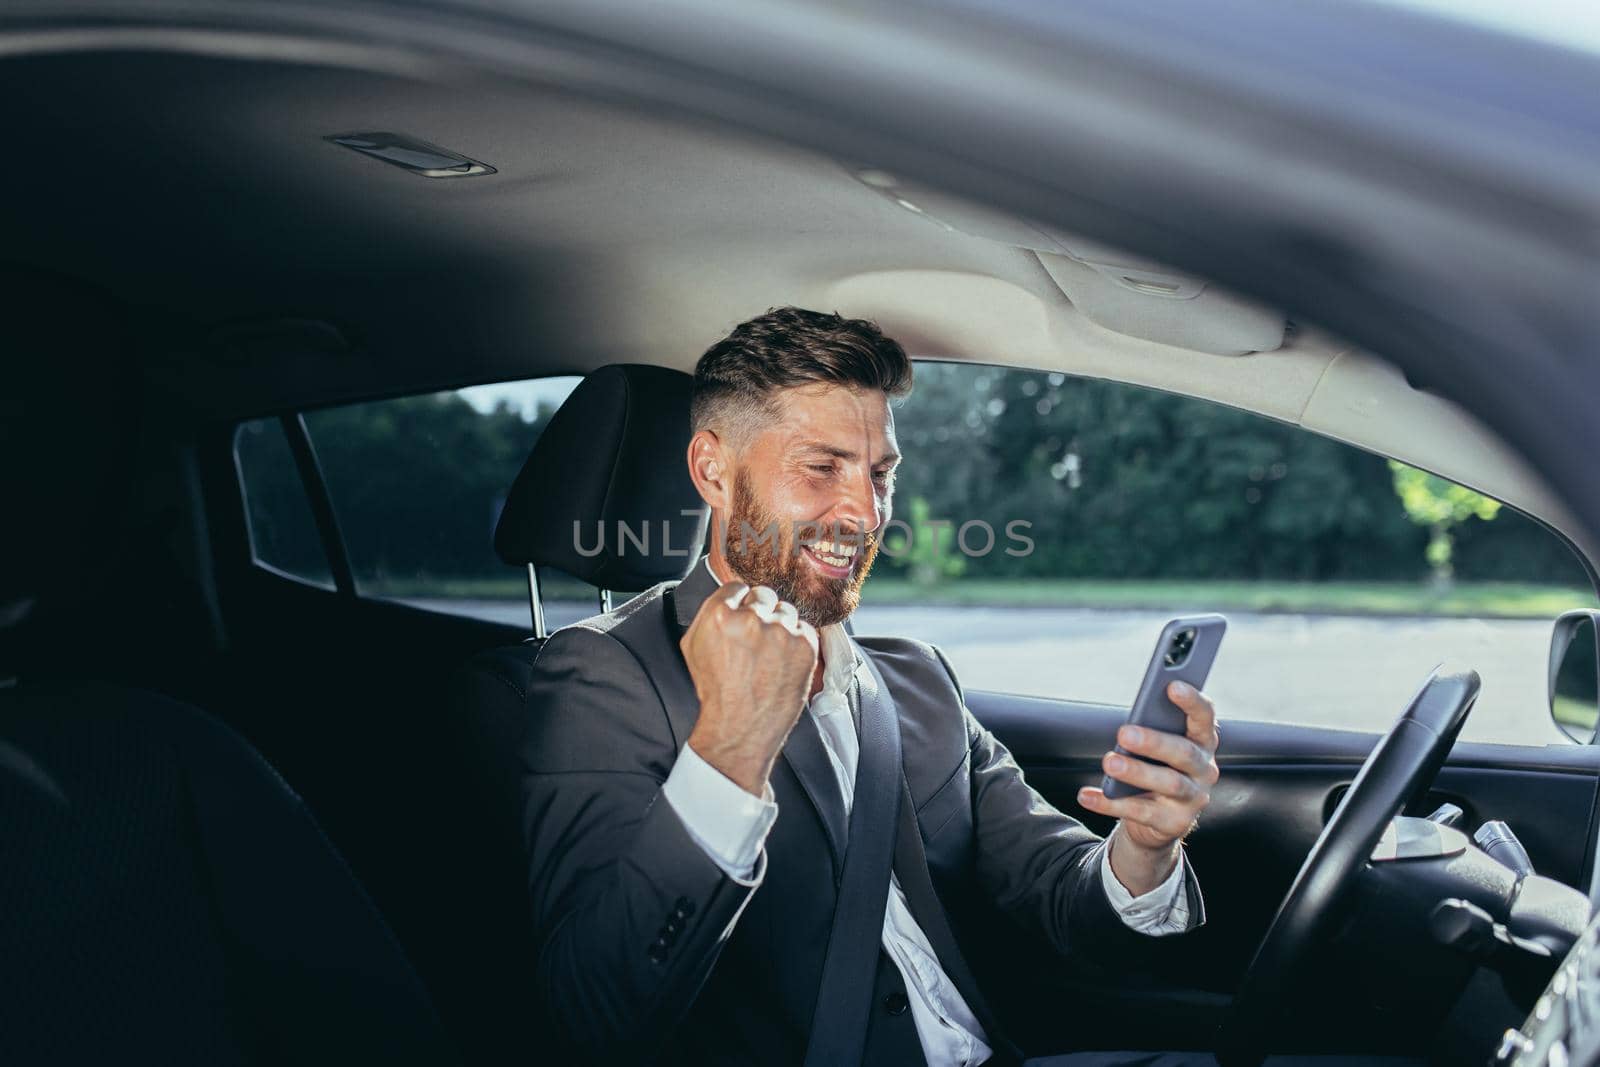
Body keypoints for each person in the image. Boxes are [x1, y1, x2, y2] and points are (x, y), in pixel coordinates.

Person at [521, 307, 1220, 1066]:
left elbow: (1059, 891)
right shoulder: (604, 674)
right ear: (713, 470)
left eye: (880, 472)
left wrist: (1144, 847)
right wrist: (730, 749)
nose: (865, 511)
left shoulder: (915, 677)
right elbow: (588, 1017)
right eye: (821, 467)